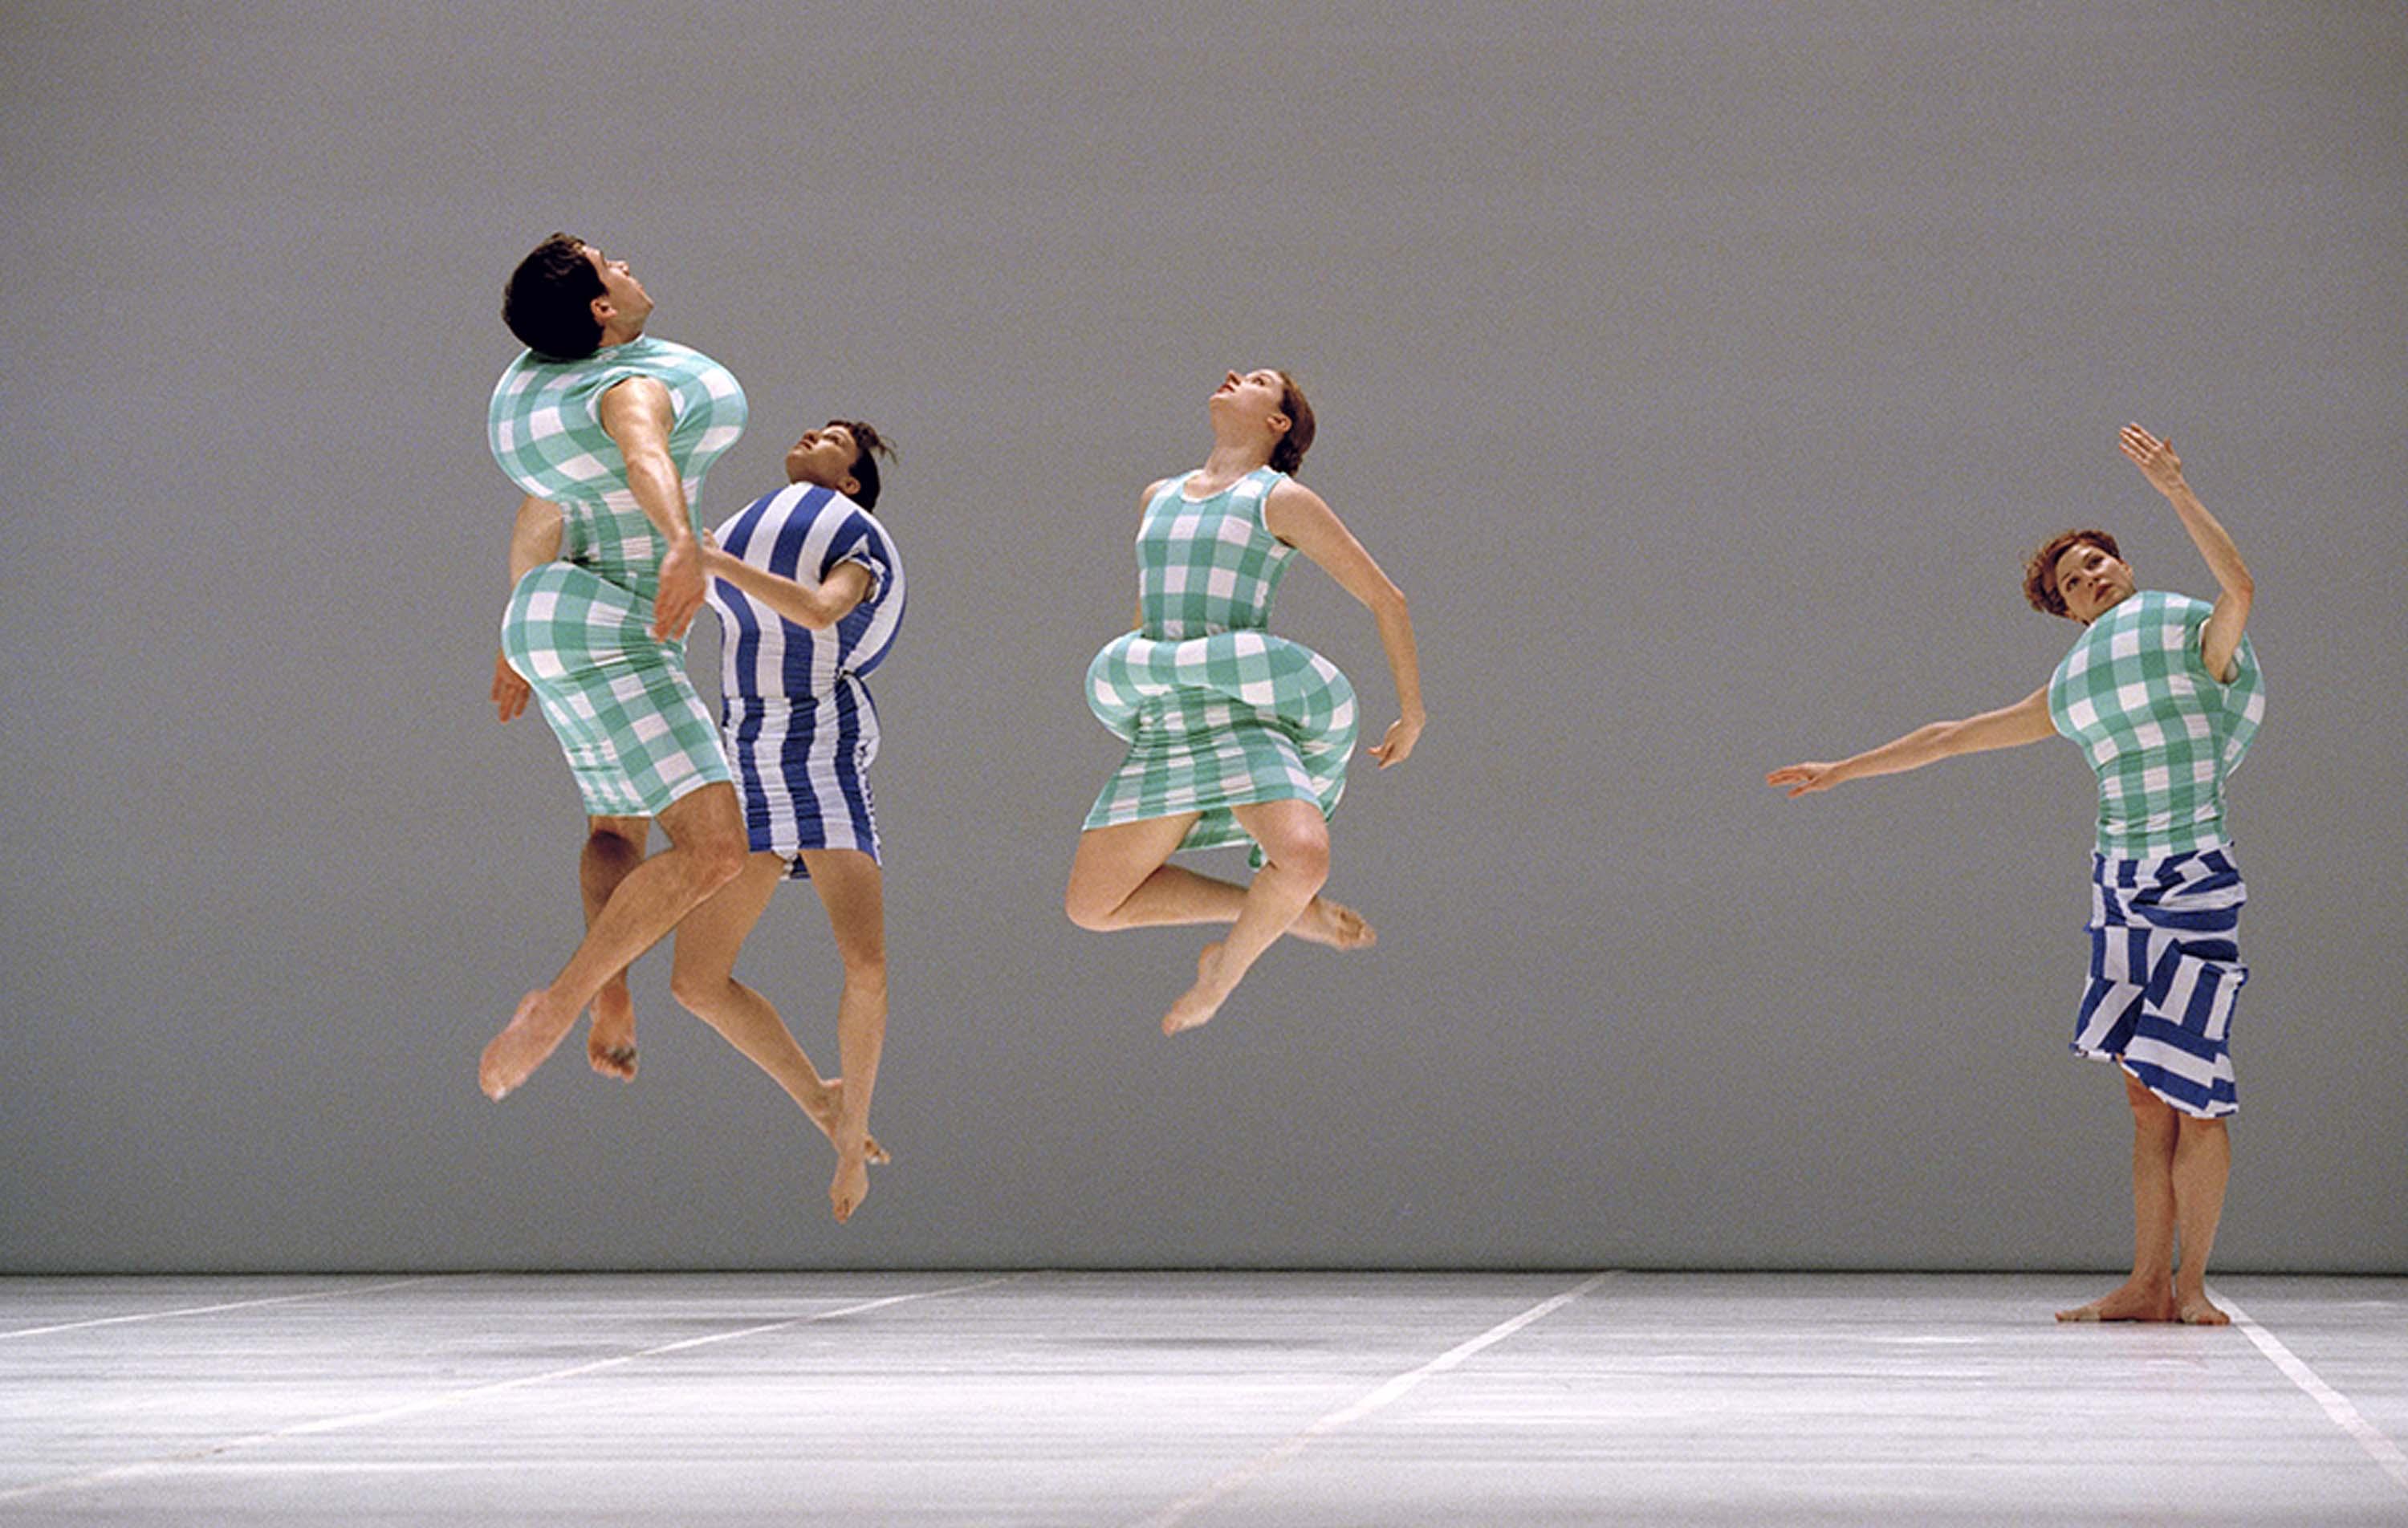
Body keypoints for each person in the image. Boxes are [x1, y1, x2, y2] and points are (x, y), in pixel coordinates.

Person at [1768, 425, 2263, 1325]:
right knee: (2146, 1096)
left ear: (2122, 566)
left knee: (2197, 1084)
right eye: (2075, 579)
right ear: (2067, 611)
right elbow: (1951, 736)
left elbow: (2241, 587)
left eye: (2098, 562)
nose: (2093, 577)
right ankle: (2147, 1280)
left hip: (2192, 872)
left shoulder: (2191, 633)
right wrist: (1842, 768)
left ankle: (2193, 1285)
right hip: (2118, 880)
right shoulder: (2076, 684)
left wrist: (2176, 489)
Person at [495, 422, 903, 1220]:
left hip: (819, 745)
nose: (812, 432)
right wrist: (533, 641)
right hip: (744, 748)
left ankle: (851, 1133)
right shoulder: (744, 530)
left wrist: (712, 559)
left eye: (835, 441)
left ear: (851, 482)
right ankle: (821, 1102)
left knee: (864, 963)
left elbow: (822, 612)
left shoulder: (854, 545)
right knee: (695, 981)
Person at [1065, 369, 1425, 1035]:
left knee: (1305, 855)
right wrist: (1143, 688)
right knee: (1092, 905)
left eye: (1257, 381)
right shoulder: (1158, 497)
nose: (1233, 378)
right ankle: (1278, 913)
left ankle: (1221, 978)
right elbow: (1151, 616)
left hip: (1243, 712)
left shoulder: (1279, 499)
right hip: (1172, 720)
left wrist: (1413, 710)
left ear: (1278, 422)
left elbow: (1385, 597)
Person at [478, 234, 751, 1101]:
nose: (629, 263)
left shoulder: (560, 405)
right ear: (602, 310)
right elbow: (647, 454)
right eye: (610, 263)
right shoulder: (630, 387)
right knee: (713, 851)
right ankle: (558, 1008)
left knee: (614, 826)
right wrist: (681, 543)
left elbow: (540, 514)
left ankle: (613, 1001)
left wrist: (514, 635)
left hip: (555, 613)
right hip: (613, 630)